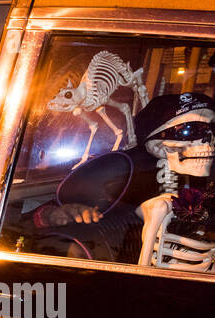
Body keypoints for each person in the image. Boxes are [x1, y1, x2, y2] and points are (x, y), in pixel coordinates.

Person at [15, 92, 215, 263]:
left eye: (211, 129)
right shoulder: (127, 174)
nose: (208, 141)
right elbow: (32, 219)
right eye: (191, 130)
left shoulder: (203, 183)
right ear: (157, 144)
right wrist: (52, 214)